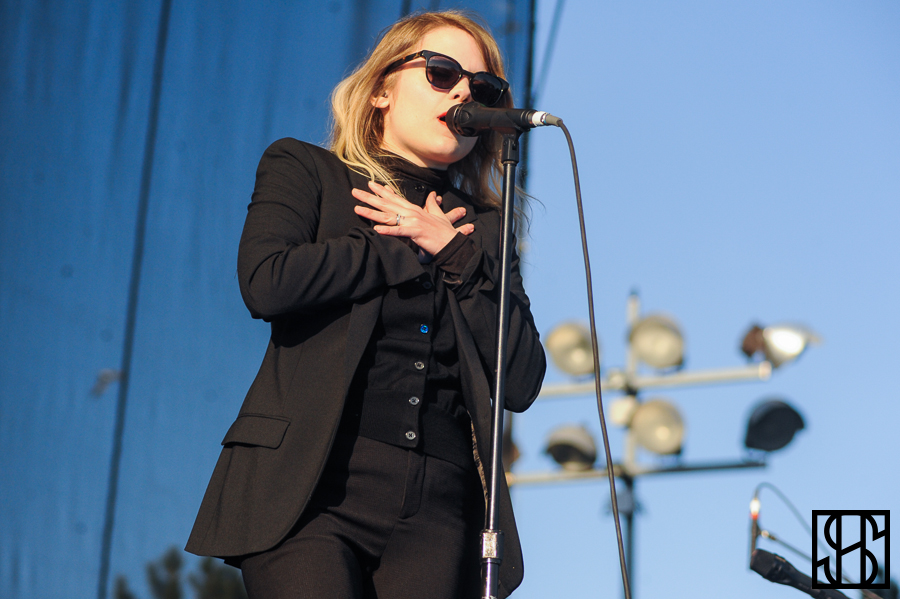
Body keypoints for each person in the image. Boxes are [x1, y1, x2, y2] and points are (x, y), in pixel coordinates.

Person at [185, 10, 546, 599]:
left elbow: (522, 378)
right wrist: (401, 246)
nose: (463, 93)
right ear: (381, 89)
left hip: (439, 512)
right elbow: (267, 281)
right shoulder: (308, 170)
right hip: (310, 486)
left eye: (483, 88)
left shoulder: (481, 229)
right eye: (442, 73)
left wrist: (454, 254)